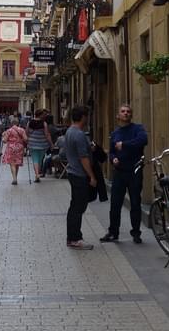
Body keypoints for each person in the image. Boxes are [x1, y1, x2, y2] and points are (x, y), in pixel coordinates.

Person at [101, 102, 149, 243]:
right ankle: (113, 232)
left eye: (128, 111)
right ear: (118, 115)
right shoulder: (115, 134)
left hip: (134, 171)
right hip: (119, 172)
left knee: (135, 202)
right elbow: (112, 152)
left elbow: (142, 140)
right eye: (123, 111)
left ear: (131, 115)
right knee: (115, 203)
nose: (126, 113)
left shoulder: (138, 129)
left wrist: (124, 144)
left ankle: (136, 233)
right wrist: (113, 159)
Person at [63, 105, 97, 247]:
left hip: (73, 172)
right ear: (83, 117)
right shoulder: (79, 134)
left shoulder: (70, 131)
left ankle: (72, 237)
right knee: (78, 207)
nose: (88, 119)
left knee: (75, 206)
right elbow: (83, 158)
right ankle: (75, 238)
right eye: (87, 116)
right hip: (79, 174)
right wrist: (92, 176)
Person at [26, 109, 52, 183]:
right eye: (43, 114)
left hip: (32, 144)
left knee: (35, 160)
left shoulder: (29, 122)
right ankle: (37, 174)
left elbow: (27, 132)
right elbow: (47, 134)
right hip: (42, 144)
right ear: (40, 115)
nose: (44, 116)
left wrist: (27, 141)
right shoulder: (44, 123)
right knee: (39, 160)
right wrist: (51, 144)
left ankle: (37, 174)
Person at [1, 114, 28, 185]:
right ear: (18, 123)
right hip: (19, 147)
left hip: (11, 147)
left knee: (12, 163)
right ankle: (15, 177)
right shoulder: (22, 130)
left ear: (11, 123)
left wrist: (3, 137)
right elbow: (26, 139)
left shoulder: (9, 131)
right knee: (17, 163)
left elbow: (4, 141)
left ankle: (14, 178)